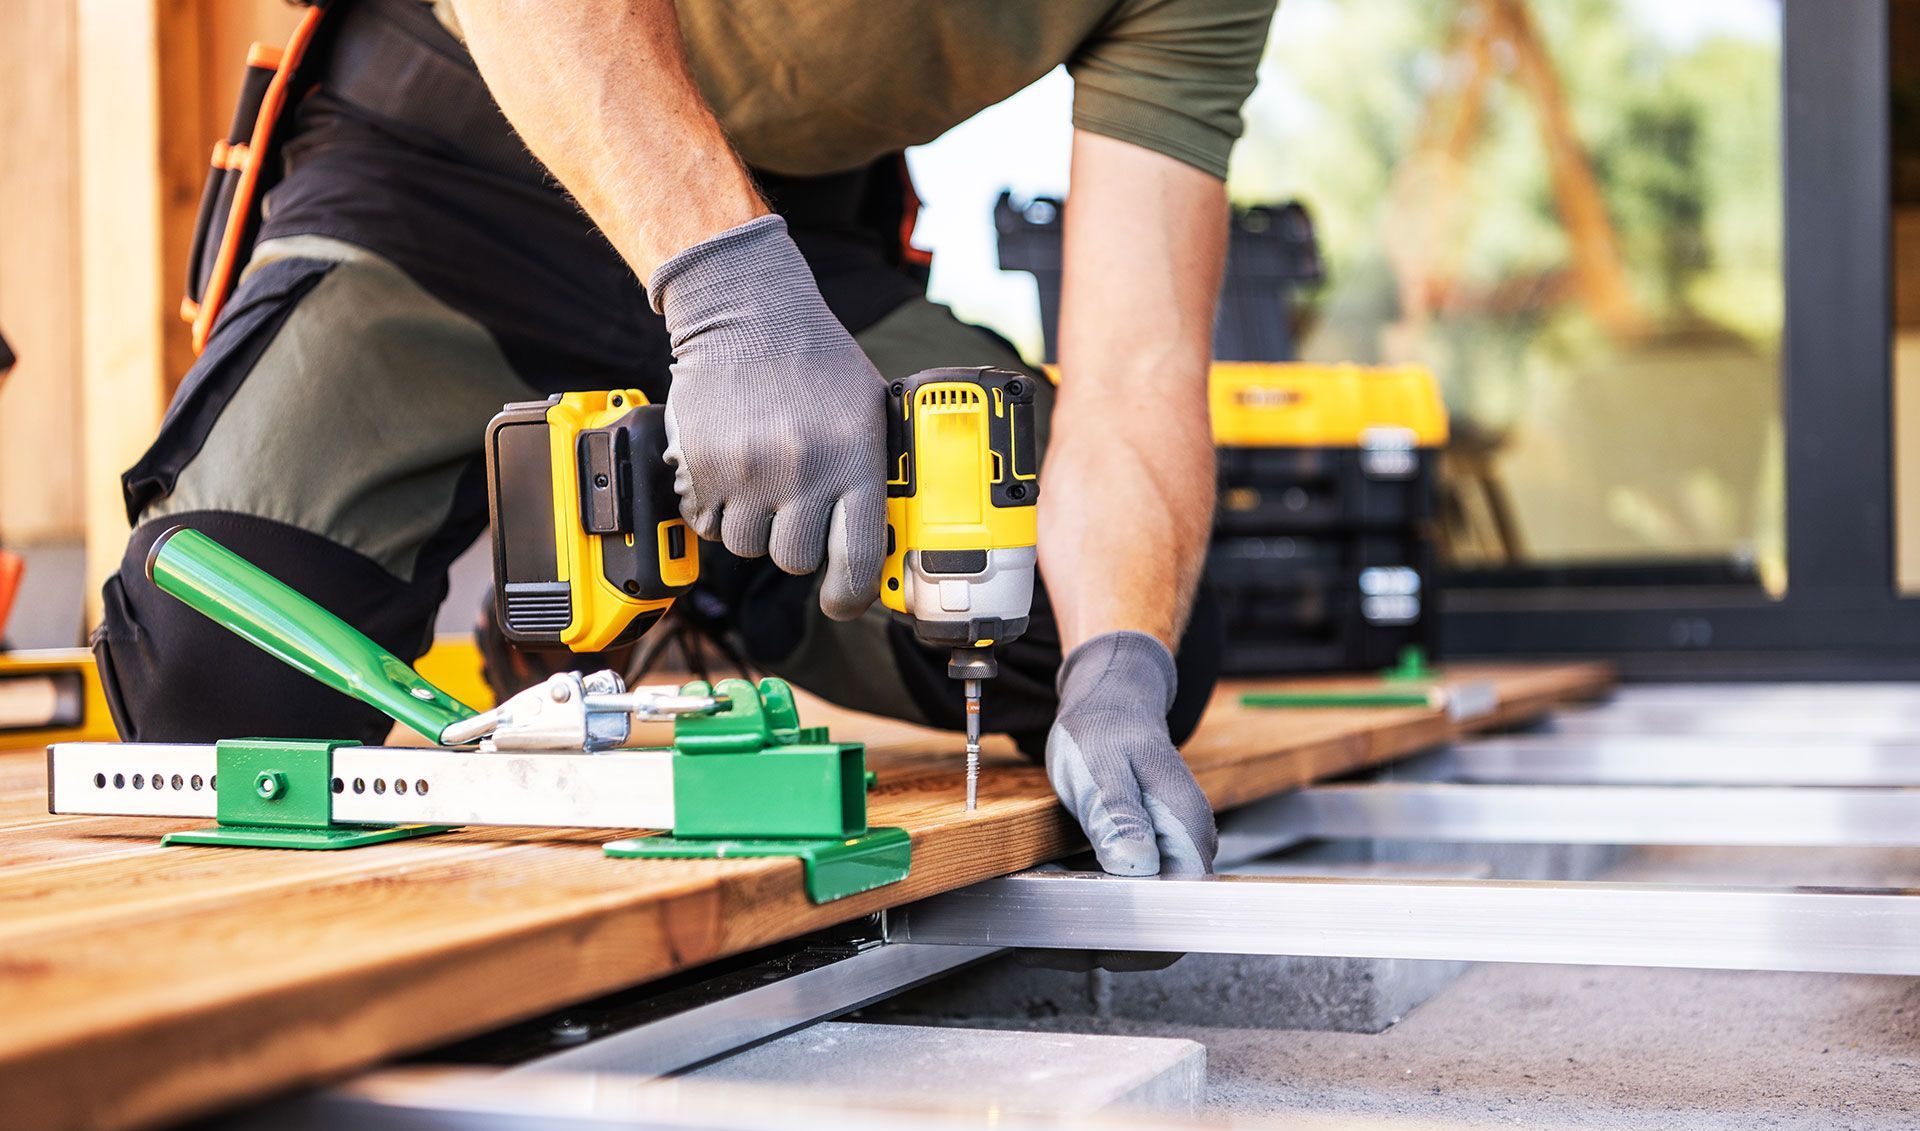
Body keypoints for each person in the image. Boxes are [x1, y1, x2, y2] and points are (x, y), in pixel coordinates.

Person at [97, 0, 1275, 876]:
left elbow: (1141, 364)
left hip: (794, 219)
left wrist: (1120, 665)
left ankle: (691, 559)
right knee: (222, 689)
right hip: (452, 150)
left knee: (1088, 623)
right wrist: (726, 292)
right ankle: (631, 529)